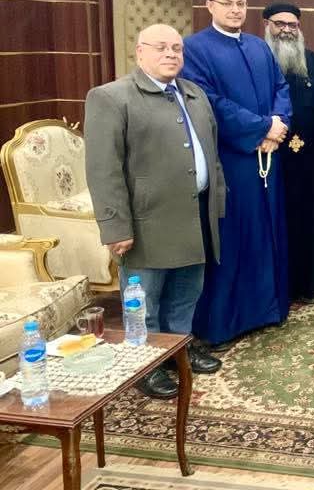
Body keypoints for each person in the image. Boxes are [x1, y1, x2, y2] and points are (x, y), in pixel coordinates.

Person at [85, 24, 225, 399]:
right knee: (143, 303)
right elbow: (103, 169)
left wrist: (217, 203)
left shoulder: (193, 93)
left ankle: (177, 351)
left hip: (195, 216)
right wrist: (115, 227)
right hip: (146, 223)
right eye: (160, 47)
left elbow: (210, 153)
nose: (170, 54)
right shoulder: (111, 97)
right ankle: (144, 365)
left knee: (186, 295)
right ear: (140, 52)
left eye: (176, 48)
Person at [182, 0, 293, 348]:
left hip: (268, 158)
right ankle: (228, 321)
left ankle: (268, 309)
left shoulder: (259, 47)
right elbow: (210, 103)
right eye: (227, 3)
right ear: (210, 5)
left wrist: (278, 125)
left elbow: (281, 88)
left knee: (268, 231)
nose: (234, 10)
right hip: (231, 162)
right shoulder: (194, 48)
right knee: (234, 237)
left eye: (240, 4)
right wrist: (262, 128)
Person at [263, 2, 314, 305]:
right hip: (271, 157)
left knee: (308, 219)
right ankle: (279, 288)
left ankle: (309, 284)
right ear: (267, 26)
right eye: (280, 24)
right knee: (276, 221)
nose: (286, 30)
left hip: (309, 157)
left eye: (292, 25)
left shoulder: (313, 61)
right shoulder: (259, 60)